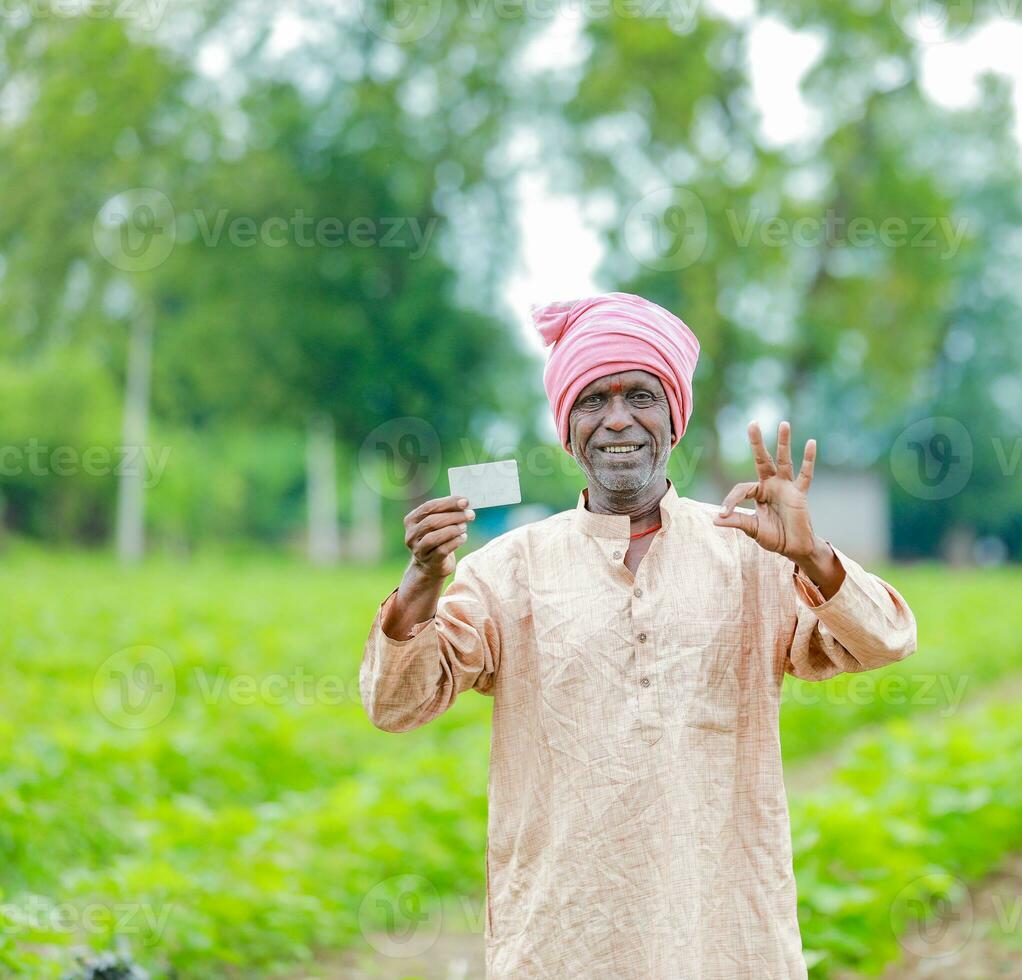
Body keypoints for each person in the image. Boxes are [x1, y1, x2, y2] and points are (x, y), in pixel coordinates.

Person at [359, 291, 919, 979]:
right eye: (592, 400)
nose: (617, 419)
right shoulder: (508, 570)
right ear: (567, 431)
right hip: (562, 940)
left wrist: (812, 557)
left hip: (724, 934)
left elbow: (886, 639)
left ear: (674, 420)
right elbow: (395, 704)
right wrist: (420, 585)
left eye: (641, 396)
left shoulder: (750, 555)